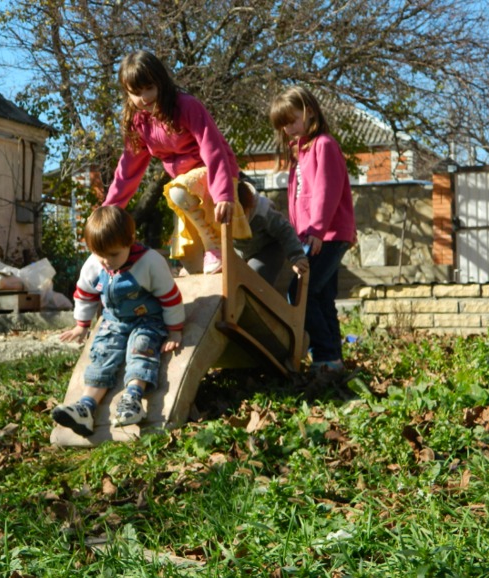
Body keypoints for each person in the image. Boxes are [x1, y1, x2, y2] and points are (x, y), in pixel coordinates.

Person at [103, 50, 251, 275]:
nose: (144, 97)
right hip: (186, 185)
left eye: (149, 88)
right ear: (127, 93)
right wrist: (110, 209)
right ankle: (200, 268)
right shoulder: (139, 123)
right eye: (136, 92)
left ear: (161, 83)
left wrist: (223, 193)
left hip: (214, 173)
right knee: (189, 256)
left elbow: (213, 149)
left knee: (177, 192)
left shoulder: (185, 106)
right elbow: (128, 170)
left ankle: (216, 247)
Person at [52, 205, 185, 437]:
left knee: (141, 348)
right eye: (99, 254)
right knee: (103, 352)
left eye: (113, 254)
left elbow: (170, 296)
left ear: (130, 240)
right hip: (113, 319)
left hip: (147, 320)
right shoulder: (94, 263)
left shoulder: (149, 262)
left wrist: (175, 330)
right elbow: (85, 293)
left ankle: (132, 400)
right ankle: (86, 407)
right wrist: (81, 324)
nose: (106, 261)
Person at [269, 86, 356, 373]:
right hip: (315, 235)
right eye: (283, 124)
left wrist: (316, 231)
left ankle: (323, 355)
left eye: (292, 120)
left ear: (310, 112)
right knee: (320, 295)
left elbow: (326, 192)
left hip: (327, 235)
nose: (288, 128)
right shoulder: (300, 154)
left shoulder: (324, 145)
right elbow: (299, 202)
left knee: (300, 293)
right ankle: (333, 360)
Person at [234, 179, 309, 285]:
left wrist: (297, 257)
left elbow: (285, 230)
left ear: (248, 209)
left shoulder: (262, 213)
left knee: (254, 275)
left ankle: (258, 298)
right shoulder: (224, 217)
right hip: (243, 253)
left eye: (241, 217)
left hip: (269, 249)